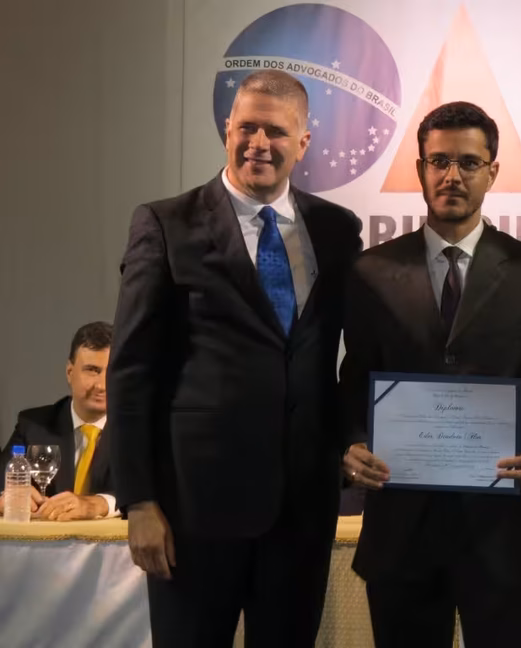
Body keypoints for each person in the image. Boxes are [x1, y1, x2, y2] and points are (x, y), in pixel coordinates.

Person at [107, 70, 361, 647]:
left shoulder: (337, 229)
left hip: (301, 508)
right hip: (193, 511)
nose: (259, 144)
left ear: (304, 142)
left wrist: (355, 437)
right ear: (227, 129)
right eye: (247, 127)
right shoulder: (166, 223)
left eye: (276, 131)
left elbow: (351, 356)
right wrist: (139, 501)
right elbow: (131, 371)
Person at [340, 101, 521, 648]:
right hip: (401, 531)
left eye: (469, 162)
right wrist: (349, 445)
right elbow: (352, 383)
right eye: (439, 161)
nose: (452, 175)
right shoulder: (371, 270)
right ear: (420, 169)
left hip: (501, 533)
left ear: (492, 172)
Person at [0, 321, 115, 520]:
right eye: (92, 370)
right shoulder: (33, 425)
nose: (102, 385)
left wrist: (100, 504)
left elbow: (153, 491)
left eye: (112, 372)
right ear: (70, 372)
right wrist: (8, 496)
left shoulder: (140, 431)